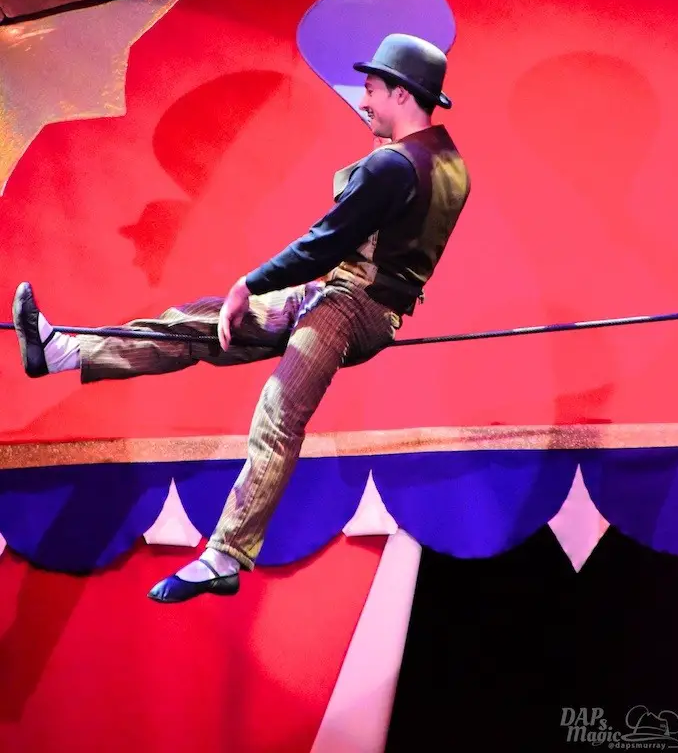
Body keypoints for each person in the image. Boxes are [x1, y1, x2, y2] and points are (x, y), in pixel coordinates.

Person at [13, 33, 471, 603]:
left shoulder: (394, 166)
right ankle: (67, 352)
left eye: (373, 90)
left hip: (351, 305)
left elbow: (325, 243)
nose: (364, 101)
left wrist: (248, 284)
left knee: (279, 411)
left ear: (402, 94)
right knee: (208, 324)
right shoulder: (451, 165)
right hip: (345, 295)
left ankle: (226, 553)